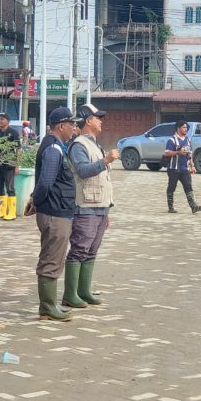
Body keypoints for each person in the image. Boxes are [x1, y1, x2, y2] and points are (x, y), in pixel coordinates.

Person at [62, 103, 120, 308]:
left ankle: (83, 291)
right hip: (85, 206)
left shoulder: (94, 144)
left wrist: (106, 210)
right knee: (79, 249)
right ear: (88, 120)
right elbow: (83, 171)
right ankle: (70, 294)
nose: (101, 121)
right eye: (98, 118)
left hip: (99, 206)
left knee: (91, 250)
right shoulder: (79, 145)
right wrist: (106, 160)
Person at [30, 107, 78, 321]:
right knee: (51, 259)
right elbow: (46, 183)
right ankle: (48, 307)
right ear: (61, 126)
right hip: (54, 212)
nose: (74, 128)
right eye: (71, 124)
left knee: (54, 258)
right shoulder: (53, 149)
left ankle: (50, 305)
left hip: (58, 211)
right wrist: (36, 200)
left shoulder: (57, 146)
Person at [163, 120, 201, 213]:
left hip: (185, 169)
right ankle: (170, 207)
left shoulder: (187, 140)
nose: (186, 129)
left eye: (186, 127)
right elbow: (167, 153)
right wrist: (178, 152)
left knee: (188, 186)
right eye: (184, 127)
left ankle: (193, 206)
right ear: (178, 128)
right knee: (172, 187)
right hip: (173, 169)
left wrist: (192, 166)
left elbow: (189, 154)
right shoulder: (172, 140)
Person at [0, 113, 21, 221]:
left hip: (9, 164)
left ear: (8, 121)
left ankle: (12, 212)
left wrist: (17, 165)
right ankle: (2, 211)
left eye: (2, 119)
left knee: (10, 188)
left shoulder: (14, 132)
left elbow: (18, 149)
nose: (0, 121)